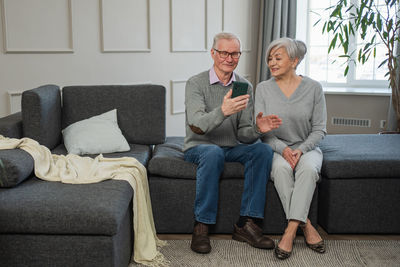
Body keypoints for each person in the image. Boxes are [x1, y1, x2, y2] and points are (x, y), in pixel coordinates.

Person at [184, 32, 282, 254]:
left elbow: (244, 134)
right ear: (213, 53)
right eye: (224, 53)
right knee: (212, 153)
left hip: (230, 147)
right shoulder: (196, 83)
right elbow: (197, 125)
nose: (229, 58)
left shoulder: (242, 86)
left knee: (262, 150)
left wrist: (258, 129)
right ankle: (201, 225)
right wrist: (222, 111)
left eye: (235, 53)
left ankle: (246, 224)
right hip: (199, 147)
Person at [255, 37, 327, 260]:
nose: (272, 63)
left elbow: (319, 130)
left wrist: (302, 149)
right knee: (281, 170)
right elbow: (262, 131)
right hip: (276, 148)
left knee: (308, 170)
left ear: (294, 61)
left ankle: (289, 232)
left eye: (278, 58)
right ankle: (305, 225)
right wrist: (283, 149)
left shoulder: (314, 88)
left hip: (306, 148)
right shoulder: (263, 89)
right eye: (269, 59)